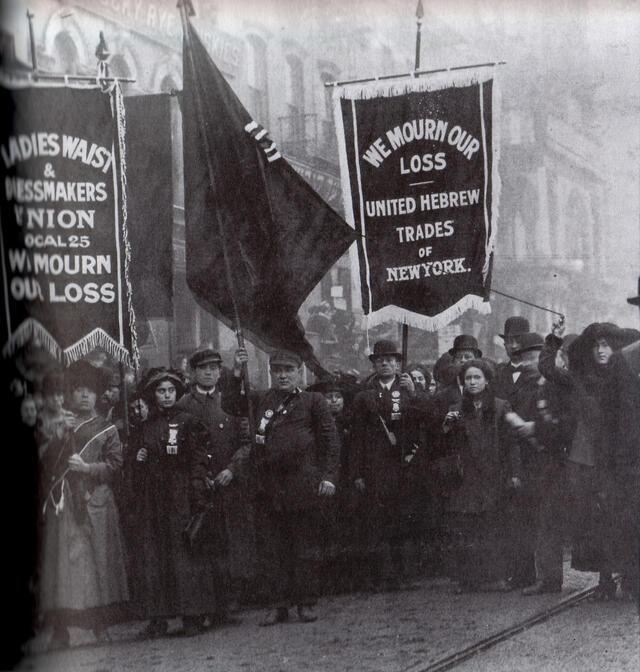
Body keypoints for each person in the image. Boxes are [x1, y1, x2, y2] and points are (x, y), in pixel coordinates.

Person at [222, 348, 339, 626]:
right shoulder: (262, 399)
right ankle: (277, 605)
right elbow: (230, 404)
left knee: (304, 547)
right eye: (278, 371)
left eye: (289, 370)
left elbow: (330, 441)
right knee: (272, 550)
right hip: (269, 485)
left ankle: (305, 603)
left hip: (303, 484)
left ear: (299, 373)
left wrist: (329, 476)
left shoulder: (313, 401)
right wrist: (238, 371)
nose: (283, 375)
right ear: (271, 373)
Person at [127, 367, 227, 637]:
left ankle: (192, 616)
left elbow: (198, 459)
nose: (167, 395)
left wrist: (196, 490)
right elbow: (135, 463)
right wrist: (139, 457)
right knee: (155, 556)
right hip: (153, 498)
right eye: (161, 391)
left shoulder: (188, 421)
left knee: (185, 555)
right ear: (154, 395)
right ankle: (157, 618)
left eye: (171, 390)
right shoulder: (144, 426)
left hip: (181, 495)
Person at [39, 360, 129, 649]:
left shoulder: (107, 428)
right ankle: (61, 630)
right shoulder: (57, 425)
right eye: (78, 390)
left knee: (97, 565)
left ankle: (99, 625)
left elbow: (116, 466)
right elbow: (45, 465)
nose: (85, 396)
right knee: (65, 568)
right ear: (70, 394)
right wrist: (58, 437)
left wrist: (87, 467)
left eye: (90, 391)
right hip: (65, 503)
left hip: (96, 502)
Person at [539, 319, 627, 600]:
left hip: (619, 457)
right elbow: (548, 369)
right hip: (586, 458)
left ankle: (625, 576)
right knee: (595, 520)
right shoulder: (580, 378)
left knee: (620, 517)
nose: (601, 351)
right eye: (596, 345)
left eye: (606, 345)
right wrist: (554, 338)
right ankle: (605, 580)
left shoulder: (629, 376)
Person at [176, 346, 255, 613]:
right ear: (193, 372)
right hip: (199, 486)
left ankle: (230, 599)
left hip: (228, 483)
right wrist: (199, 476)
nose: (209, 373)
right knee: (202, 545)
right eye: (203, 368)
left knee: (231, 542)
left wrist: (232, 469)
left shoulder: (230, 401)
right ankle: (208, 604)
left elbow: (247, 442)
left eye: (214, 368)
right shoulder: (182, 406)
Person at [350, 340, 428, 591]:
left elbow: (425, 421)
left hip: (404, 464)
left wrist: (414, 394)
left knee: (403, 520)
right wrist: (358, 472)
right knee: (377, 522)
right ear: (374, 364)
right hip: (375, 466)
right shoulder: (365, 396)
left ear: (397, 364)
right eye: (380, 360)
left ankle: (405, 575)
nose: (385, 363)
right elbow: (357, 437)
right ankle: (383, 575)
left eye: (390, 360)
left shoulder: (408, 391)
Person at [440, 358, 520, 593]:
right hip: (466, 478)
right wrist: (446, 427)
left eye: (477, 378)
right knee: (467, 529)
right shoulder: (455, 410)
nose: (472, 382)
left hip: (494, 475)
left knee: (493, 526)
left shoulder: (500, 406)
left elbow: (512, 443)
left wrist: (515, 473)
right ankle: (468, 579)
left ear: (486, 381)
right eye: (468, 379)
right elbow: (445, 446)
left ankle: (496, 577)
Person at [493, 316, 530, 401]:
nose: (514, 346)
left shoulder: (537, 372)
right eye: (509, 341)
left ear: (528, 343)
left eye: (518, 341)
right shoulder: (497, 373)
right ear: (504, 345)